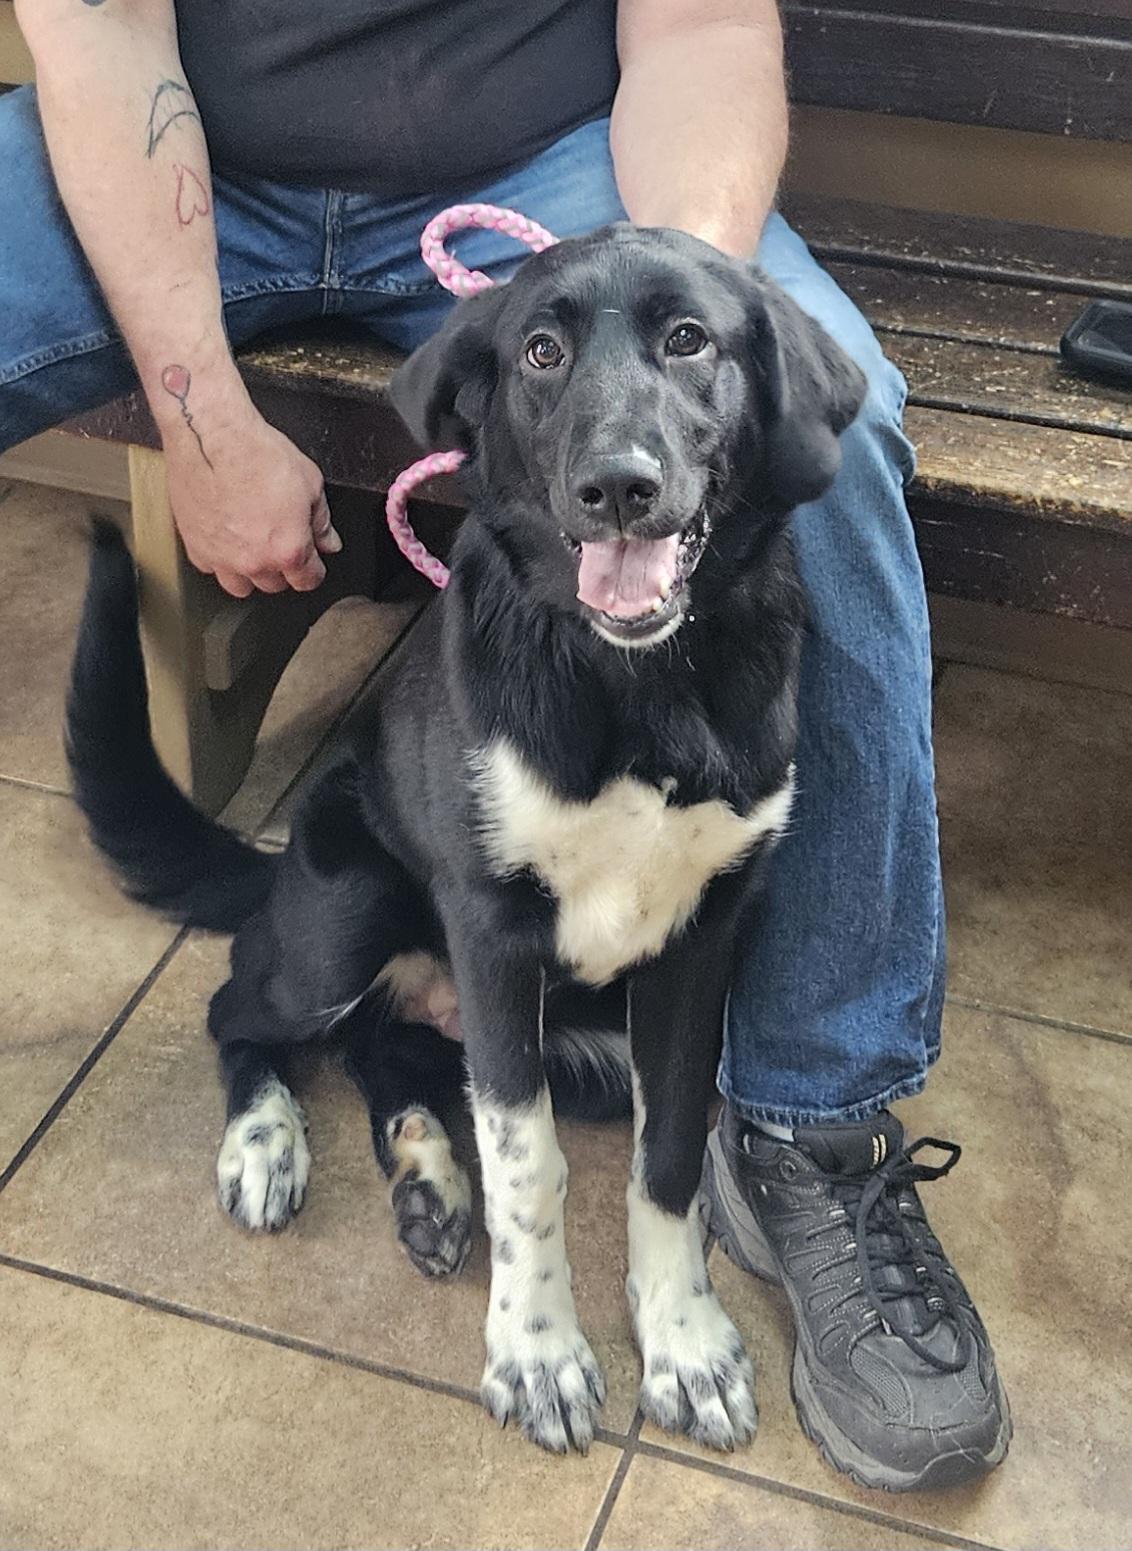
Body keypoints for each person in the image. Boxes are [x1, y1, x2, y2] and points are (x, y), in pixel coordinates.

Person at [3, 0, 1008, 1491]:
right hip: (173, 149)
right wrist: (202, 420)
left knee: (834, 459)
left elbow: (702, 32)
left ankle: (810, 1116)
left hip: (554, 168)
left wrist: (680, 342)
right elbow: (98, 42)